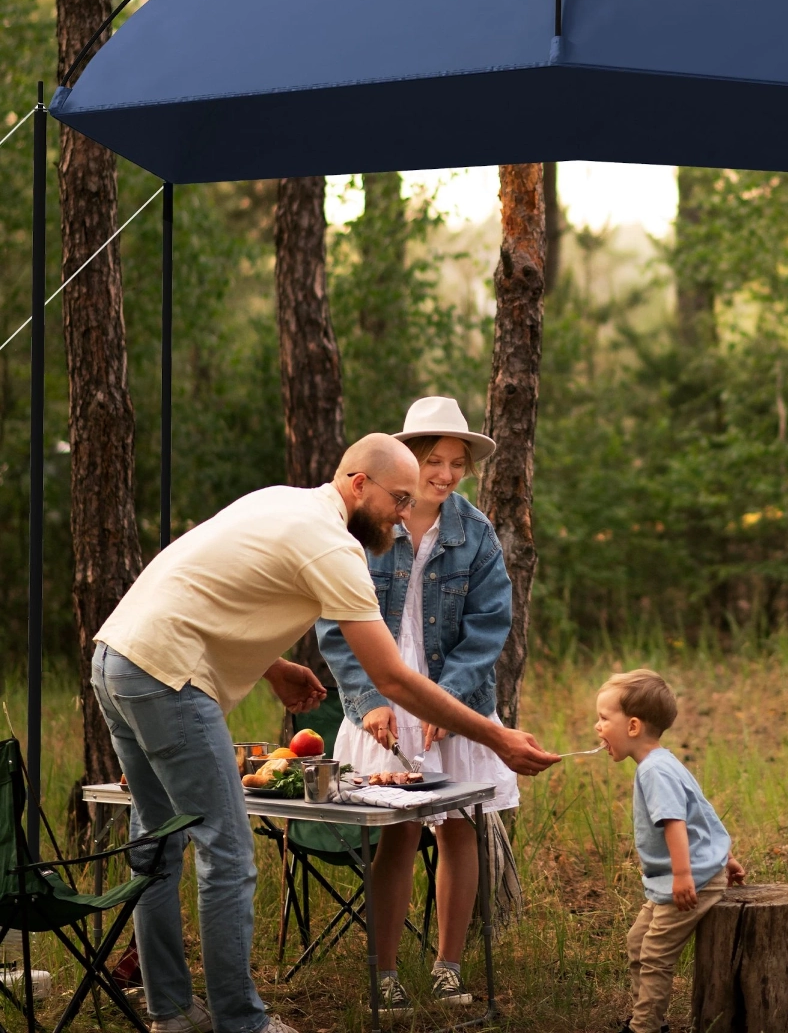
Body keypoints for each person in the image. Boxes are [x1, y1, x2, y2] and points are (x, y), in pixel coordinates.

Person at [91, 433, 558, 1033]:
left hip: (116, 658)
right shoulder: (335, 548)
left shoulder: (279, 499)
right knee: (226, 853)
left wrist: (274, 666)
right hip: (169, 679)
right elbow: (392, 678)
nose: (403, 514)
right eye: (398, 498)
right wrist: (498, 739)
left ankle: (173, 1013)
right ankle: (242, 1022)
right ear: (359, 484)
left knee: (157, 843)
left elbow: (201, 590)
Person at [318, 396, 516, 1012]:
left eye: (458, 463)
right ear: (410, 460)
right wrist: (370, 700)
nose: (447, 474)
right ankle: (384, 975)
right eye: (435, 461)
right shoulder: (368, 523)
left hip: (454, 698)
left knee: (460, 829)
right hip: (384, 701)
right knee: (399, 833)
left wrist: (447, 702)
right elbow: (335, 623)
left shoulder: (475, 532)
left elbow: (488, 626)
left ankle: (448, 968)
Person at [593, 669, 746, 1033]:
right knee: (637, 942)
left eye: (603, 719)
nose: (597, 727)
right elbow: (702, 812)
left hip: (691, 879)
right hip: (683, 874)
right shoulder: (663, 761)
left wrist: (683, 876)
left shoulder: (654, 772)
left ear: (632, 726)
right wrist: (726, 857)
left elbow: (676, 823)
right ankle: (648, 1018)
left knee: (655, 954)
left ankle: (645, 1027)